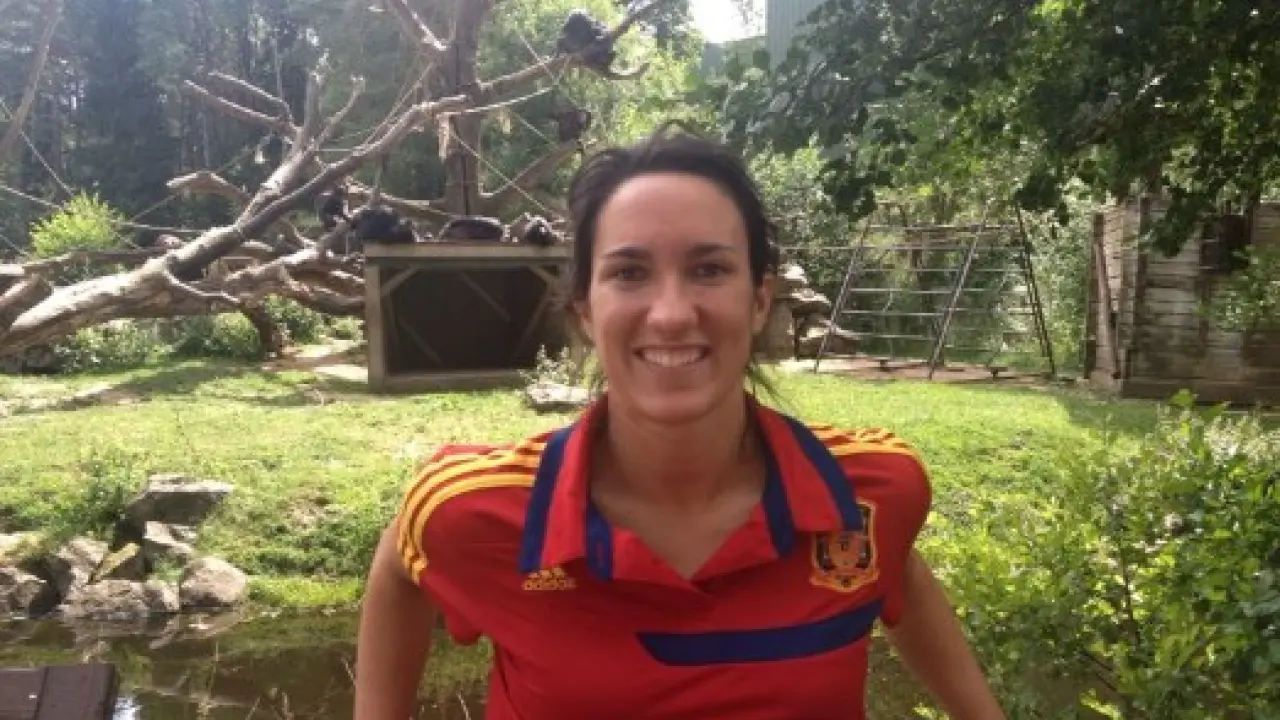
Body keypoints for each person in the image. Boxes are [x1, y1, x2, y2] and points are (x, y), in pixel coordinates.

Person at [354, 125, 1006, 719]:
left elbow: (896, 570)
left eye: (708, 269)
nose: (670, 314)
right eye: (629, 272)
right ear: (585, 310)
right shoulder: (479, 509)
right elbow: (399, 565)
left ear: (758, 300)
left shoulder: (867, 488)